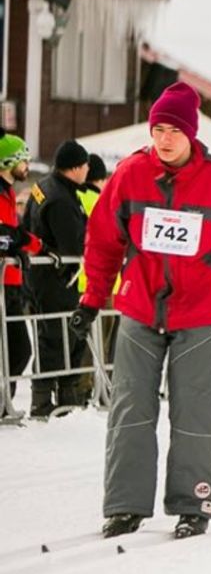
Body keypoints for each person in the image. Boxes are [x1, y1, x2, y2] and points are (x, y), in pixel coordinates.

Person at [70, 82, 211, 539]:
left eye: (173, 130)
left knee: (193, 412)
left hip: (199, 314)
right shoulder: (129, 175)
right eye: (158, 129)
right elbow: (103, 243)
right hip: (140, 308)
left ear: (191, 133)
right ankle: (125, 505)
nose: (164, 139)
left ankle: (194, 502)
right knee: (130, 409)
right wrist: (91, 301)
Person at [24, 140, 90, 417]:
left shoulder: (44, 186)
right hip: (56, 278)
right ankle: (46, 400)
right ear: (75, 168)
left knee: (58, 334)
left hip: (42, 276)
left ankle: (63, 395)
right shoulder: (61, 198)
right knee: (58, 336)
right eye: (85, 165)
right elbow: (72, 245)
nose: (87, 170)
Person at [0, 130, 39, 407]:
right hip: (4, 282)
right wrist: (23, 244)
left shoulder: (8, 193)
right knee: (18, 349)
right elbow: (6, 234)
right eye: (24, 160)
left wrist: (25, 245)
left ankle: (4, 404)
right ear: (8, 162)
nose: (27, 165)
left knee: (16, 349)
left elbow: (13, 233)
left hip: (11, 283)